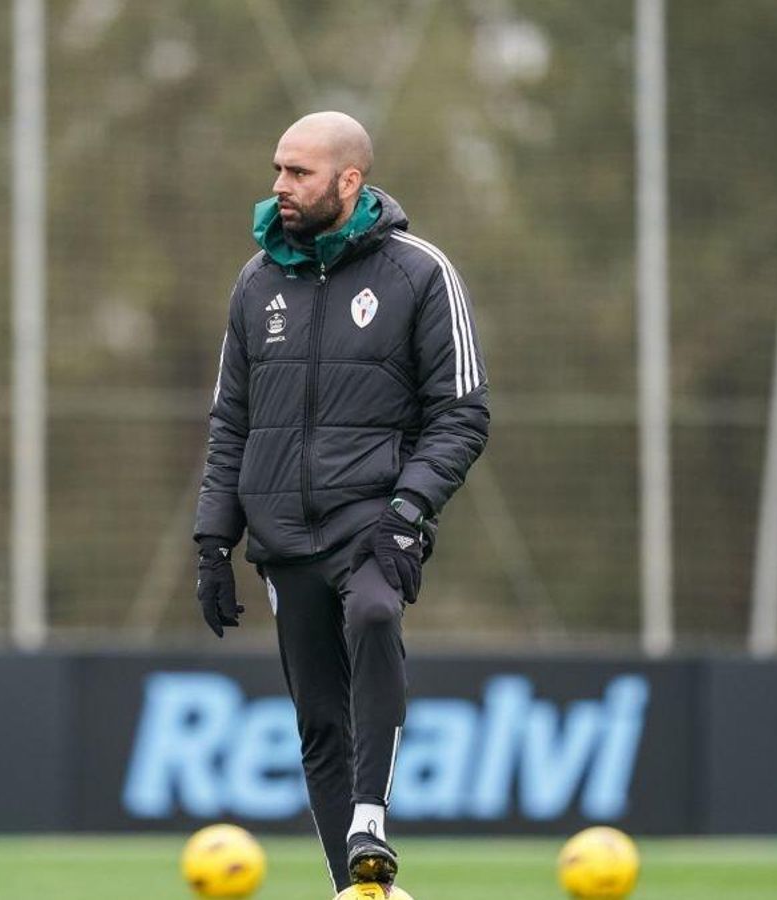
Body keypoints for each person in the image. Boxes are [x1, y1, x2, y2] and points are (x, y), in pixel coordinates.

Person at [192, 110, 490, 890]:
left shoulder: (420, 272)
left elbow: (462, 412)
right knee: (319, 722)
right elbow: (231, 421)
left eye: (298, 172)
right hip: (283, 535)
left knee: (376, 613)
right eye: (278, 169)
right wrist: (211, 543)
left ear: (349, 181)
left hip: (375, 520)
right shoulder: (257, 282)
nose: (280, 186)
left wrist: (409, 510)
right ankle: (359, 888)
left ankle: (370, 818)